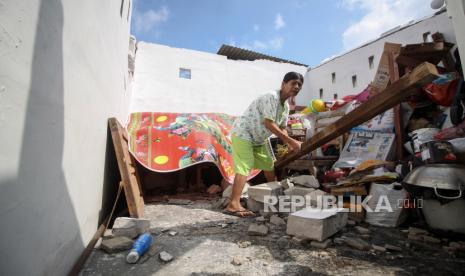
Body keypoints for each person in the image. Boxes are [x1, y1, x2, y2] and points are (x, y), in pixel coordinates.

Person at [225, 72, 304, 217]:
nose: (297, 86)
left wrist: (289, 145)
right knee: (245, 165)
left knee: (268, 164)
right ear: (283, 84)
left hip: (259, 139)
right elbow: (269, 123)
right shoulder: (271, 97)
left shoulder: (285, 106)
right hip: (244, 132)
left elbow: (282, 128)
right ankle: (233, 204)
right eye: (293, 83)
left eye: (299, 84)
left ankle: (274, 196)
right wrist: (291, 142)